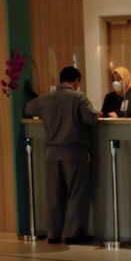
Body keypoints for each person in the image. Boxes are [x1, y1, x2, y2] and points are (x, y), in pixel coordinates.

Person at [24, 66, 98, 244]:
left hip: (51, 154)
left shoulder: (46, 99)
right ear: (77, 81)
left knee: (54, 195)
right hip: (74, 153)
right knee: (76, 193)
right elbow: (91, 119)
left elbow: (29, 109)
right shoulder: (78, 98)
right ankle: (73, 234)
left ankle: (53, 234)